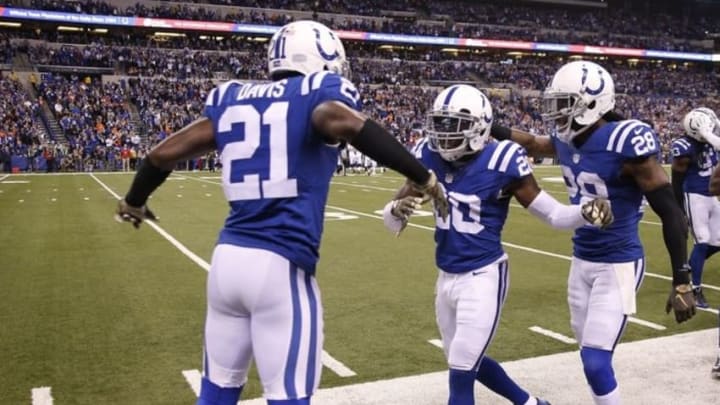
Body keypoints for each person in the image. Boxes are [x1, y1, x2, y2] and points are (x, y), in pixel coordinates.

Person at [115, 20, 448, 405]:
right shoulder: (315, 95)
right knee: (288, 397)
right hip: (280, 266)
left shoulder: (235, 98)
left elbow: (160, 155)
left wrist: (135, 200)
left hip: (227, 264)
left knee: (215, 394)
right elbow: (343, 121)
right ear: (318, 58)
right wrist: (422, 176)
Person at [383, 84, 613, 405]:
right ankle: (530, 403)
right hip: (445, 278)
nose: (444, 135)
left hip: (483, 276)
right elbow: (391, 221)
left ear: (479, 127)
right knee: (464, 361)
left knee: (461, 372)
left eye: (455, 127)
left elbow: (554, 215)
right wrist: (395, 211)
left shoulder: (503, 159)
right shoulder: (427, 154)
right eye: (440, 124)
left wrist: (584, 212)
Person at [489, 60, 694, 404]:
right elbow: (537, 144)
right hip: (581, 262)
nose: (556, 112)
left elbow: (672, 213)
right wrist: (488, 126)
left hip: (619, 263)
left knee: (596, 363)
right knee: (590, 359)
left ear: (592, 103)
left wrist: (682, 279)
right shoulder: (569, 138)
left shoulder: (625, 141)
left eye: (565, 103)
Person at [670, 108, 720, 308]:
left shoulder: (709, 139)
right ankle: (696, 288)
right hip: (695, 197)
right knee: (702, 241)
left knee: (716, 242)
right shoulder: (683, 147)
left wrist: (708, 131)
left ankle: (690, 264)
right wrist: (678, 208)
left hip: (712, 196)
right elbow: (676, 180)